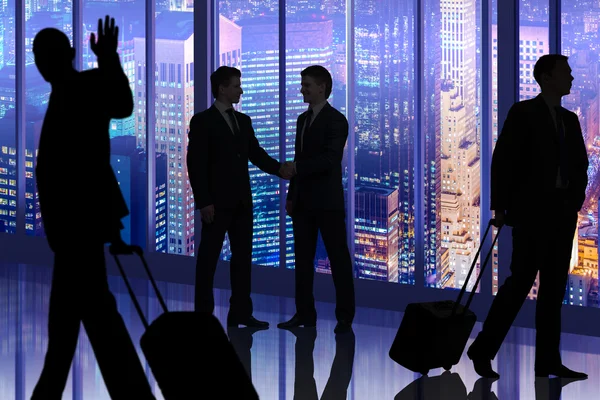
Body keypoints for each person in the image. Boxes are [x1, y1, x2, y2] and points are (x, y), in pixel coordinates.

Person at [31, 17, 155, 399]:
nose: (40, 64)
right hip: (80, 230)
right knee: (89, 326)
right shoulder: (83, 86)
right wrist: (108, 61)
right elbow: (122, 104)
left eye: (40, 56)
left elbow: (121, 106)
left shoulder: (77, 89)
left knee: (87, 327)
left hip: (73, 231)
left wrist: (108, 61)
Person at [467, 54, 589, 379]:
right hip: (532, 216)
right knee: (519, 285)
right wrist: (500, 208)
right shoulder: (523, 113)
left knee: (552, 291)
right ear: (546, 78)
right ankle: (482, 349)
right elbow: (503, 160)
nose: (572, 79)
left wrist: (574, 202)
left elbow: (580, 166)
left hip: (562, 216)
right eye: (566, 73)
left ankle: (547, 362)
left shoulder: (570, 119)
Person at [187, 66, 292, 328]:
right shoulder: (202, 121)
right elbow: (195, 164)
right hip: (216, 204)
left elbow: (255, 153)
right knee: (208, 261)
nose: (240, 90)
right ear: (222, 88)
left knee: (243, 260)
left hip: (242, 203)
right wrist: (204, 202)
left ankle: (241, 314)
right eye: (236, 85)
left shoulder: (243, 121)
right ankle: (203, 317)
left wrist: (279, 169)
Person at [277, 65, 355, 334]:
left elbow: (330, 160)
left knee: (339, 260)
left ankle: (344, 317)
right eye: (303, 84)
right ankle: (304, 314)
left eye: (307, 85)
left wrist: (296, 169)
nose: (302, 89)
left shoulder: (336, 120)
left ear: (322, 87)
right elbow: (301, 157)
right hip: (303, 203)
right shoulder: (302, 120)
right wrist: (291, 196)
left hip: (328, 203)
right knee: (302, 260)